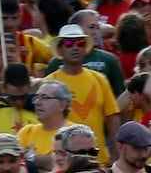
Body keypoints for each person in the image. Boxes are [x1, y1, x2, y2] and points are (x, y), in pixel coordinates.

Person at [45, 25, 121, 164]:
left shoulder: (100, 79)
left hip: (99, 160)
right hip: (65, 163)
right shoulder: (50, 83)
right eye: (68, 43)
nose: (75, 47)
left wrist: (116, 155)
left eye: (80, 43)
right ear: (60, 50)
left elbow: (112, 118)